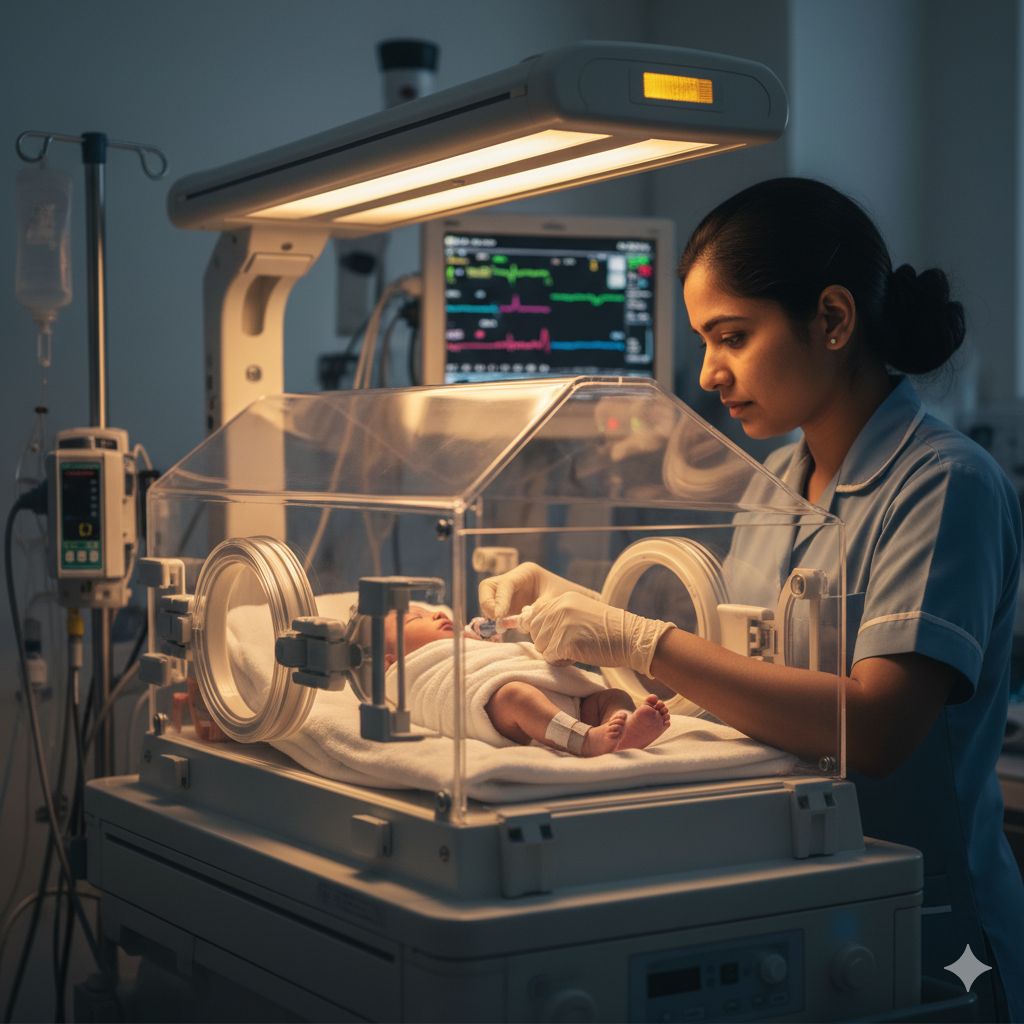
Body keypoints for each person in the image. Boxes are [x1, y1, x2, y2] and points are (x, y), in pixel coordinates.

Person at [480, 178, 1024, 1021]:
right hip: (800, 885)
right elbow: (740, 684)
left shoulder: (945, 485)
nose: (709, 372)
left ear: (834, 320)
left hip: (936, 926)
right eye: (703, 340)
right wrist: (590, 640)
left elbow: (874, 730)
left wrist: (637, 638)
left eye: (731, 335)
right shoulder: (776, 483)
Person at [382, 605, 670, 756]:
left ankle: (622, 729)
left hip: (567, 700)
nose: (436, 613)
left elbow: (506, 653)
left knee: (614, 695)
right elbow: (453, 689)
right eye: (414, 619)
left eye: (428, 610)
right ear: (390, 662)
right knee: (515, 696)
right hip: (509, 714)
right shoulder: (405, 676)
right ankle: (585, 740)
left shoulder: (471, 640)